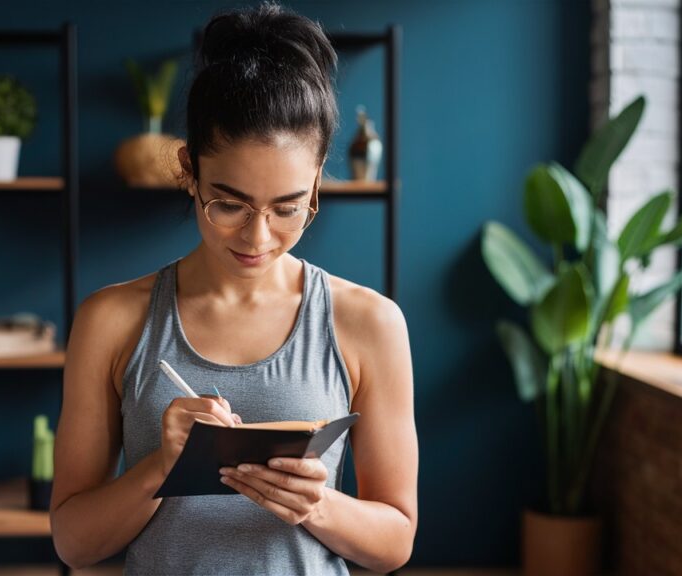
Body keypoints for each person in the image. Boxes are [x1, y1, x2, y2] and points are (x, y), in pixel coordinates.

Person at [50, 4, 418, 574]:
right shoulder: (111, 319)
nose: (258, 236)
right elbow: (74, 543)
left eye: (287, 208)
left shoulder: (369, 322)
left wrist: (316, 504)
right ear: (188, 170)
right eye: (230, 203)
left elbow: (396, 541)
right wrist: (161, 467)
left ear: (317, 184)